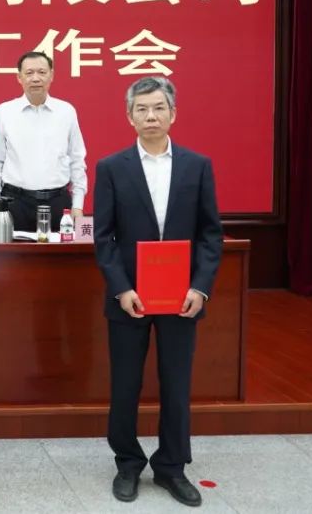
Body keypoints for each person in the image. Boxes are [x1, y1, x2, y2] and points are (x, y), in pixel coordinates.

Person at [94, 76, 222, 507]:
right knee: (125, 384)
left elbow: (210, 234)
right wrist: (121, 289)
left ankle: (171, 466)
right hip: (129, 298)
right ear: (130, 117)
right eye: (142, 109)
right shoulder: (112, 167)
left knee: (176, 384)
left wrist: (201, 288)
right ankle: (128, 463)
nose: (151, 116)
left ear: (173, 114)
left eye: (159, 108)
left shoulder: (197, 166)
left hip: (182, 298)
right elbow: (104, 238)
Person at [0, 51, 87, 232]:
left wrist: (77, 205)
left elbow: (77, 159)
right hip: (15, 203)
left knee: (63, 251)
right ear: (19, 77)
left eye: (42, 72)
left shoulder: (66, 111)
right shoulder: (4, 112)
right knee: (11, 251)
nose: (36, 78)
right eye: (29, 73)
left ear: (51, 75)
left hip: (58, 203)